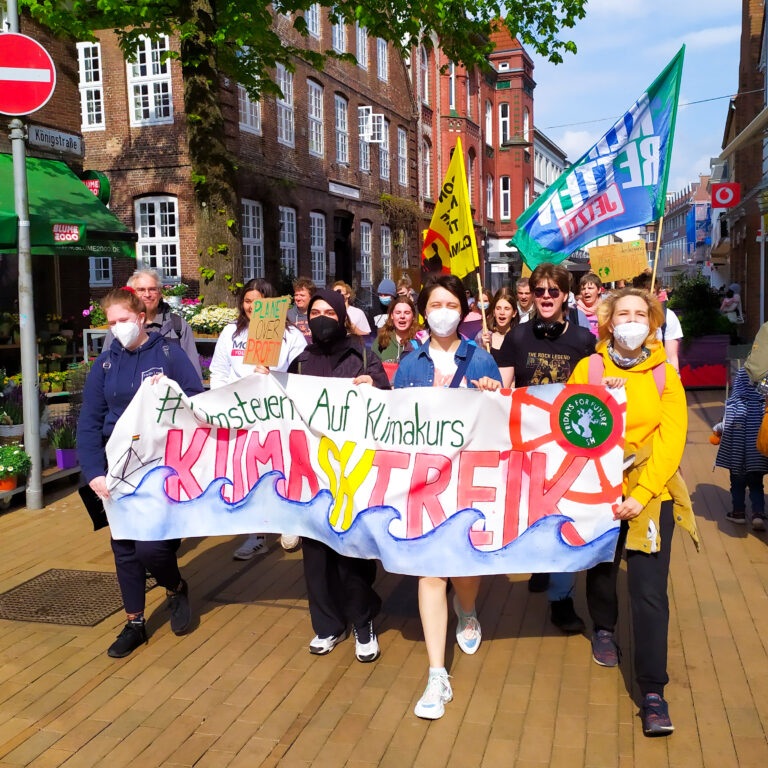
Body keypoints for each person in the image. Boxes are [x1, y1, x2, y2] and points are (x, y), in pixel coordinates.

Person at [568, 287, 696, 737]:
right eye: (623, 313)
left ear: (653, 322)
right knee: (602, 566)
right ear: (607, 322)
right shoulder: (589, 367)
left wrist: (641, 494)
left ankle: (653, 692)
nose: (631, 321)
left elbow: (671, 439)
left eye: (640, 314)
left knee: (648, 590)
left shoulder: (664, 373)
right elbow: (566, 423)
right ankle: (604, 626)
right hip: (599, 490)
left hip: (650, 493)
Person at [393, 274, 502, 720]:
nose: (442, 311)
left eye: (450, 304)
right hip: (424, 483)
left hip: (470, 480)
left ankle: (469, 609)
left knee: (463, 568)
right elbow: (391, 423)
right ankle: (438, 675)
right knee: (431, 572)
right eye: (434, 304)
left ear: (463, 311)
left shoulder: (481, 360)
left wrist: (496, 397)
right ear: (424, 310)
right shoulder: (409, 363)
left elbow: (501, 427)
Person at [77, 287, 204, 658]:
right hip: (117, 467)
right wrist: (93, 471)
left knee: (152, 546)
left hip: (161, 464)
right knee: (124, 547)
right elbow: (89, 422)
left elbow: (196, 401)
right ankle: (134, 621)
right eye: (112, 322)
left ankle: (175, 586)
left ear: (142, 317)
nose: (119, 328)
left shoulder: (168, 353)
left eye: (125, 320)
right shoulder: (104, 365)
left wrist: (168, 393)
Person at [287, 289, 390, 662]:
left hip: (352, 472)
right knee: (316, 555)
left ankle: (363, 622)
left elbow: (387, 404)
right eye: (315, 311)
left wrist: (374, 386)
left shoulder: (361, 355)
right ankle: (327, 625)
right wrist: (266, 381)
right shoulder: (299, 363)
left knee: (352, 553)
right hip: (313, 476)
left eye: (330, 311)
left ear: (343, 315)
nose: (321, 317)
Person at [496, 263, 596, 632]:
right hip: (527, 443)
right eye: (540, 291)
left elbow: (594, 391)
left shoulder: (583, 341)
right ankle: (541, 563)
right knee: (535, 514)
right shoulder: (518, 337)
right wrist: (493, 390)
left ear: (566, 295)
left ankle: (561, 598)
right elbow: (505, 387)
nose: (546, 297)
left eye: (554, 291)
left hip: (568, 444)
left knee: (564, 516)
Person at [210, 278, 307, 557]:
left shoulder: (292, 336)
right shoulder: (231, 333)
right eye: (248, 301)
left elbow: (302, 375)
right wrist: (224, 401)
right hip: (240, 413)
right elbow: (218, 371)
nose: (253, 306)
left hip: (278, 413)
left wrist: (273, 376)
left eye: (259, 301)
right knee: (249, 471)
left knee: (283, 465)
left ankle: (289, 520)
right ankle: (258, 532)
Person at [102, 269, 203, 383]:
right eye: (141, 290)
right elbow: (106, 367)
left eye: (152, 289)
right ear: (132, 294)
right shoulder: (120, 325)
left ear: (160, 293)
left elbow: (193, 370)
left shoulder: (178, 325)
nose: (147, 294)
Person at [713, 368, 768, 530]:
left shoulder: (733, 406)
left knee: (737, 485)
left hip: (736, 457)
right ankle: (758, 514)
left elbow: (723, 426)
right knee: (757, 484)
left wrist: (716, 428)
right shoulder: (761, 407)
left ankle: (738, 513)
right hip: (756, 458)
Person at [632, 273, 682, 373]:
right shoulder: (628, 316)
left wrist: (675, 379)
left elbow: (672, 357)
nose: (648, 296)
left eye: (652, 292)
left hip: (658, 373)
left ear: (658, 293)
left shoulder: (668, 316)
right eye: (642, 292)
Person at [372, 295, 420, 362]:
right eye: (398, 313)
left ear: (413, 316)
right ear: (392, 315)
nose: (402, 316)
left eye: (407, 313)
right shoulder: (382, 339)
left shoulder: (420, 340)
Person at [478, 286, 517, 364]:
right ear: (493, 312)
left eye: (507, 308)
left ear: (514, 313)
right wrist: (484, 348)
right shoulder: (483, 335)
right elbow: (477, 368)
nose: (502, 312)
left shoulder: (519, 336)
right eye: (498, 308)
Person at [576, 272, 602, 337]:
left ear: (599, 290)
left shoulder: (607, 310)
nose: (586, 292)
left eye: (590, 288)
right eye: (583, 289)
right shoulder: (574, 312)